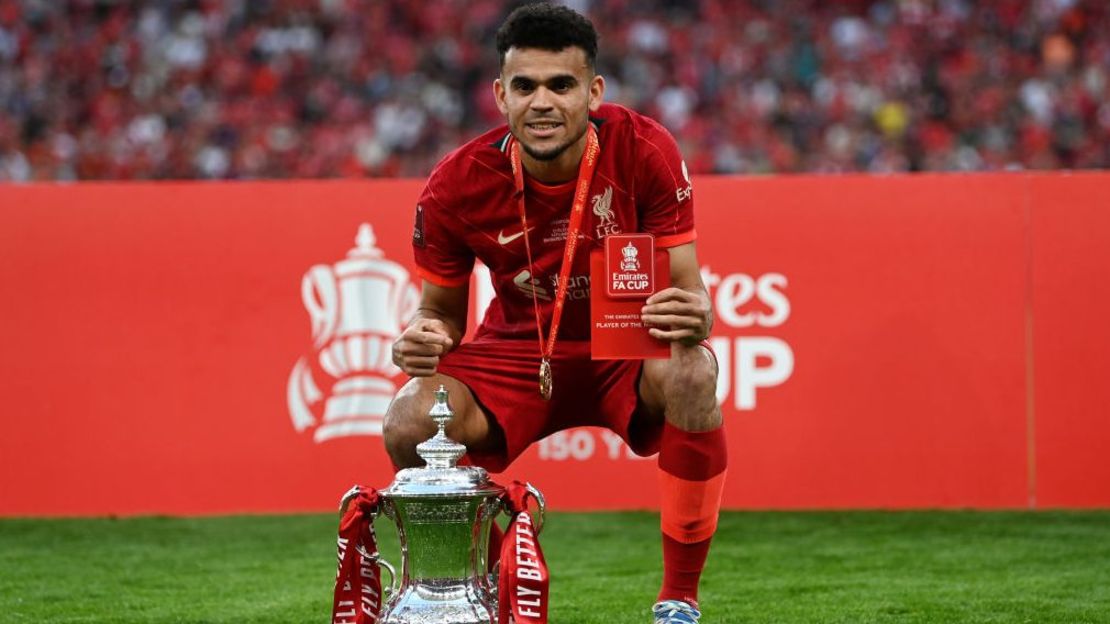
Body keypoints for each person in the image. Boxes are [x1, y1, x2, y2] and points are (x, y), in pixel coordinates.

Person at [385, 4, 725, 623]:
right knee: (409, 419)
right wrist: (420, 338)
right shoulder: (455, 183)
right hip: (515, 352)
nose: (542, 102)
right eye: (525, 86)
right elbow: (440, 318)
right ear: (499, 95)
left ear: (593, 91)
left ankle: (679, 598)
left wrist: (696, 317)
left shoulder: (644, 150)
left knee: (694, 370)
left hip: (621, 353)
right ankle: (476, 596)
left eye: (561, 85)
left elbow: (687, 299)